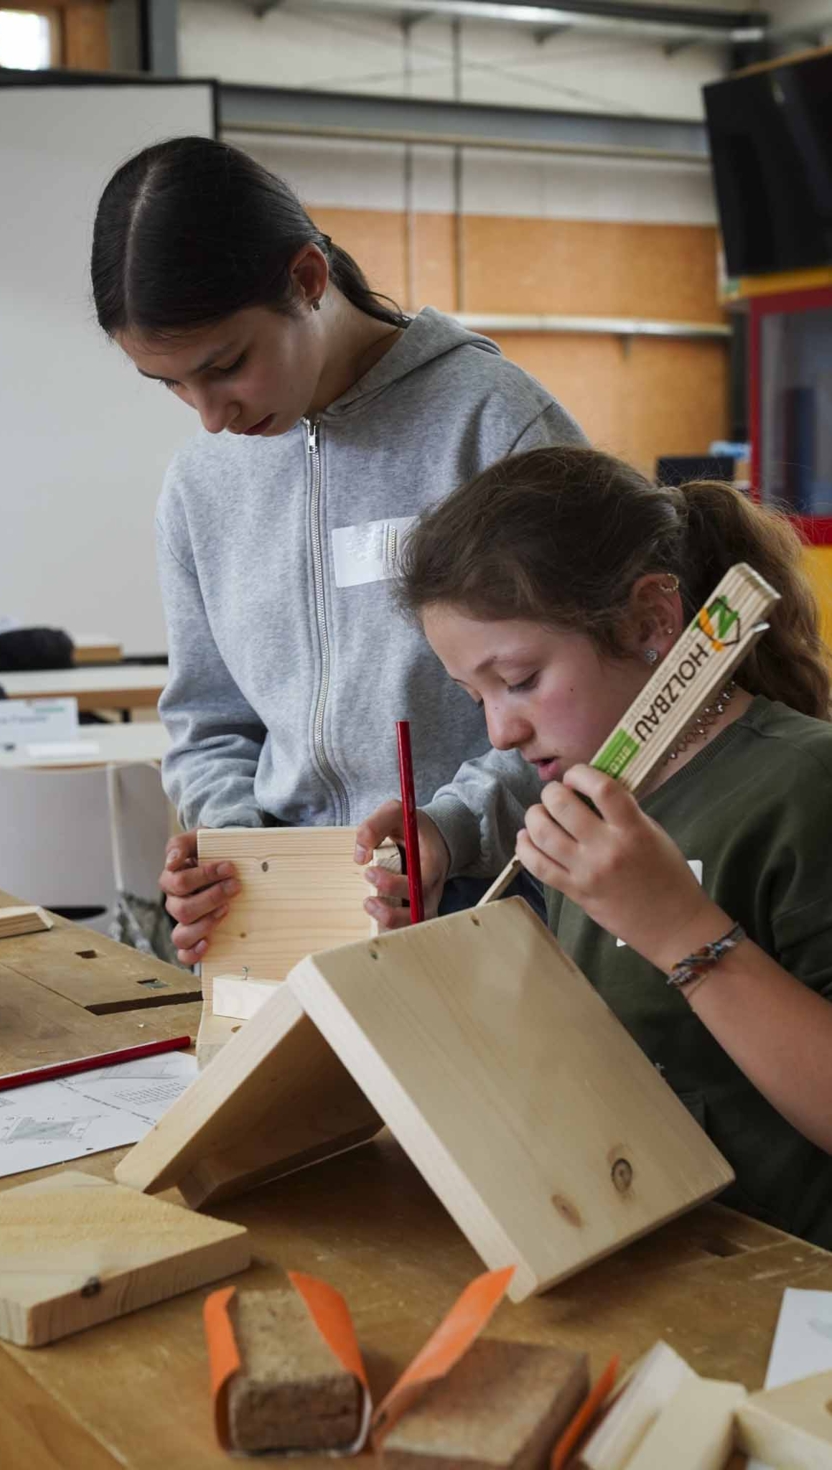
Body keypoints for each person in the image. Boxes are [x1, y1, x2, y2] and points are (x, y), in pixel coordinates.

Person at [89, 135, 585, 963]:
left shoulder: (493, 425)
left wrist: (452, 830)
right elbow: (207, 719)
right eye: (171, 384)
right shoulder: (200, 481)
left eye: (227, 366)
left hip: (494, 901)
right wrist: (232, 848)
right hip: (285, 915)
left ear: (309, 280)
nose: (210, 415)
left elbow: (597, 695)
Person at [392, 441, 832, 1246]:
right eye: (474, 695)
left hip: (790, 1285)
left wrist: (680, 930)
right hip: (644, 1249)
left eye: (520, 679)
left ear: (652, 622)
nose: (501, 729)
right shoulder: (589, 794)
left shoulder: (802, 785)